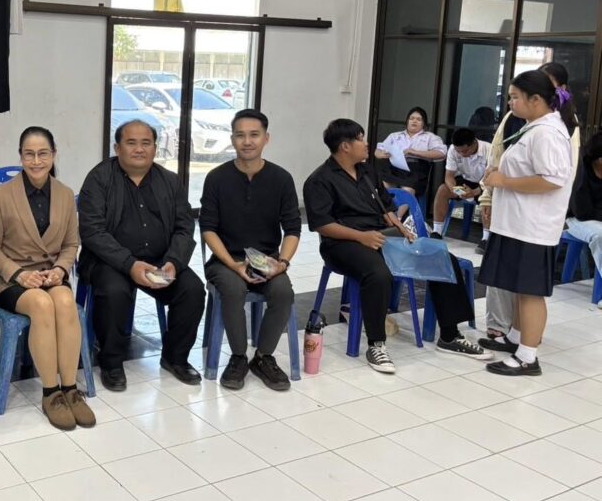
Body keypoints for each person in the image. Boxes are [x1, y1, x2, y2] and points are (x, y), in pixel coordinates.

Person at [303, 119, 491, 374]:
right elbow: (322, 225)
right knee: (377, 272)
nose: (366, 143)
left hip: (381, 236)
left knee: (442, 256)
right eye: (361, 139)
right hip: (342, 243)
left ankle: (450, 335)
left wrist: (399, 226)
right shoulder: (320, 180)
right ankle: (376, 344)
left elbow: (386, 205)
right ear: (345, 146)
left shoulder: (367, 171)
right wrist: (361, 237)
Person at [78, 120, 205, 392]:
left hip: (160, 259)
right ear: (117, 148)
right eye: (131, 143)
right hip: (110, 261)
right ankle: (111, 362)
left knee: (193, 290)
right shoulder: (99, 179)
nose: (139, 149)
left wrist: (174, 262)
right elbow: (92, 231)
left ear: (155, 148)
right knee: (114, 291)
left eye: (146, 143)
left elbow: (185, 227)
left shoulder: (170, 181)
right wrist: (130, 264)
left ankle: (175, 357)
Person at [0, 127, 96, 430]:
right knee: (42, 305)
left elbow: (71, 244)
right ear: (20, 156)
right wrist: (19, 274)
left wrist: (60, 269)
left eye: (43, 153)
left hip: (50, 273)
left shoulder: (65, 194)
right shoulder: (1, 196)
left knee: (65, 301)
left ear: (54, 155)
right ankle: (51, 393)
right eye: (29, 154)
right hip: (8, 278)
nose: (36, 161)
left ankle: (70, 389)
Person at [480, 71, 576, 376]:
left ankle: (527, 357)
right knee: (520, 289)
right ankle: (516, 338)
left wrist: (504, 181)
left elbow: (552, 180)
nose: (510, 102)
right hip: (518, 224)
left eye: (515, 97)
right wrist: (500, 173)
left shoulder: (547, 133)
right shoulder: (535, 127)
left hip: (532, 228)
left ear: (535, 99)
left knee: (530, 292)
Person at [200, 109, 298, 391]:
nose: (247, 141)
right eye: (240, 135)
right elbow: (208, 228)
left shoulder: (281, 178)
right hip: (225, 260)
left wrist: (282, 263)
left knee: (283, 291)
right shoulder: (217, 178)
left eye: (254, 135)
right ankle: (238, 357)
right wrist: (233, 264)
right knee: (233, 289)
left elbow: (293, 228)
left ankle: (263, 357)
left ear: (266, 138)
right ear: (232, 139)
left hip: (267, 261)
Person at [430, 128, 490, 241]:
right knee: (443, 190)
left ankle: (486, 239)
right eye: (459, 152)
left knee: (489, 198)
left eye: (465, 151)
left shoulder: (489, 150)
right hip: (465, 181)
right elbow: (449, 176)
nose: (461, 154)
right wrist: (457, 190)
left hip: (485, 184)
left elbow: (491, 179)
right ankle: (437, 231)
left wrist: (474, 192)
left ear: (474, 143)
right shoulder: (453, 149)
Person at [374, 106, 446, 198]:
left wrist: (415, 152)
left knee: (407, 190)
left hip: (416, 169)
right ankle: (387, 207)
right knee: (384, 186)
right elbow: (378, 149)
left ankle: (400, 208)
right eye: (411, 118)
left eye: (419, 119)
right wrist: (381, 154)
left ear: (424, 123)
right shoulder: (395, 136)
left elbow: (441, 153)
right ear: (407, 121)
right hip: (395, 167)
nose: (414, 121)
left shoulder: (430, 137)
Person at [565, 132, 602, 308]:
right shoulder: (580, 170)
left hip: (596, 218)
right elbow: (581, 211)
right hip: (576, 220)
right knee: (600, 236)